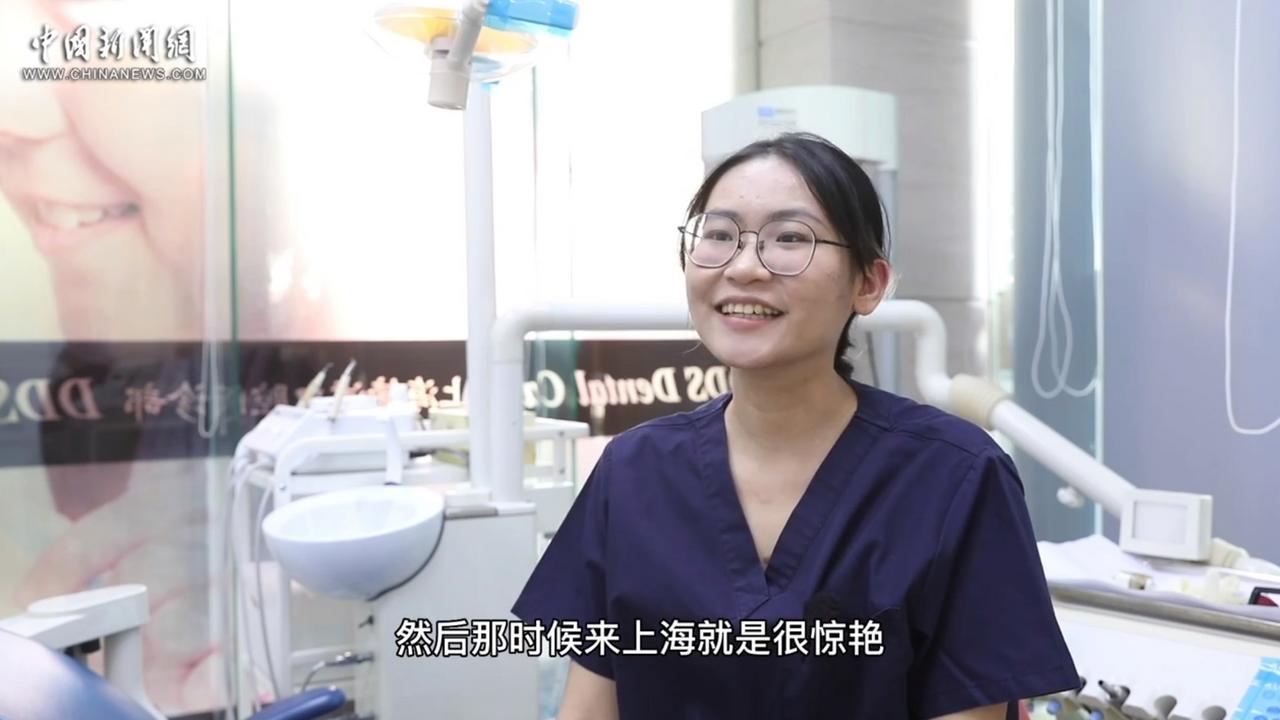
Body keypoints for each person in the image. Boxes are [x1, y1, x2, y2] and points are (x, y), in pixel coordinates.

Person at [512, 132, 1079, 719]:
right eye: (719, 235)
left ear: (869, 284)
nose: (744, 267)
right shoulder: (634, 472)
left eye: (790, 238)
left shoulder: (954, 476)